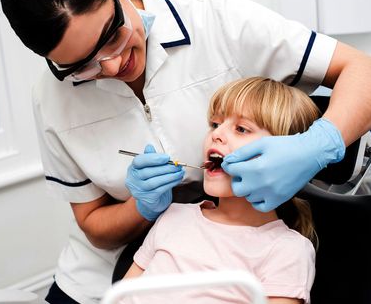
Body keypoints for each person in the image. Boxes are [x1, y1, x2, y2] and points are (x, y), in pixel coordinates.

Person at [0, 0, 371, 302]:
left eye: (113, 37)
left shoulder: (219, 21)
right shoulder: (52, 97)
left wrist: (316, 145)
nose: (112, 66)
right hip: (98, 283)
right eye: (82, 65)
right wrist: (140, 208)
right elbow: (94, 227)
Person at [121, 77, 320, 304]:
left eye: (241, 129)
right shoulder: (174, 216)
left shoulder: (287, 251)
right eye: (215, 124)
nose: (216, 134)